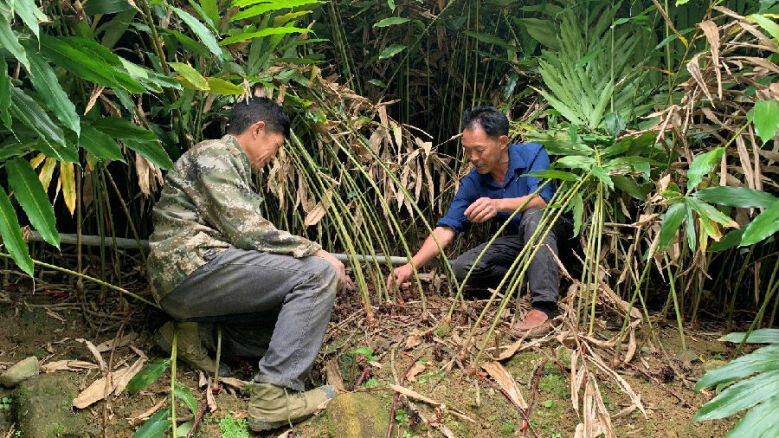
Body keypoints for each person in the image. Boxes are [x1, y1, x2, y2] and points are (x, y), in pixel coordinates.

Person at [147, 97, 354, 431]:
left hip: (191, 279)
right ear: (258, 130)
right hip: (192, 266)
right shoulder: (215, 154)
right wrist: (317, 252)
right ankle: (273, 396)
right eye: (275, 147)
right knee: (319, 274)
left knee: (290, 326)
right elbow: (246, 230)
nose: (273, 157)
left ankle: (193, 337)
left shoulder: (228, 164)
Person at [386, 106, 559, 336]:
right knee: (462, 268)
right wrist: (411, 266)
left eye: (479, 150)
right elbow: (446, 228)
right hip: (520, 244)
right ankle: (528, 280)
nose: (473, 158)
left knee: (533, 215)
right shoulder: (474, 181)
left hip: (555, 237)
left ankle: (543, 307)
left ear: (502, 142)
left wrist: (498, 204)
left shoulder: (533, 154)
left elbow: (542, 201)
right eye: (468, 151)